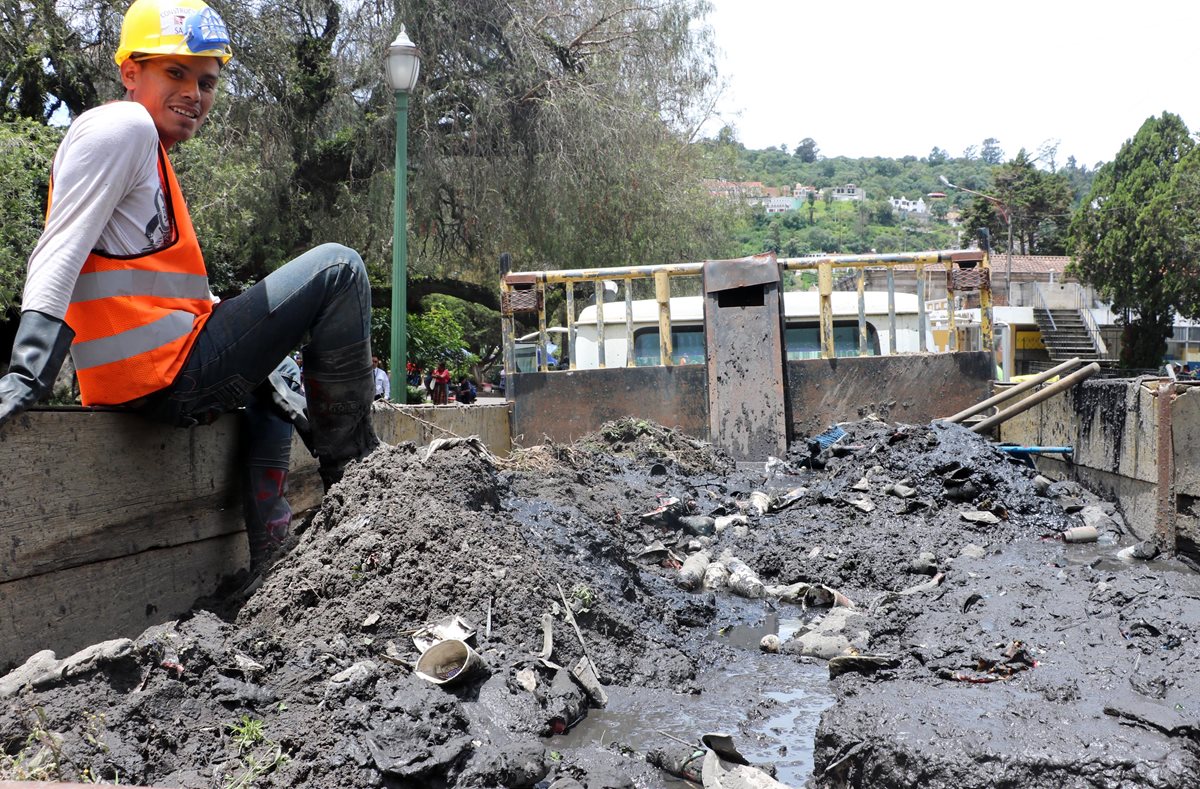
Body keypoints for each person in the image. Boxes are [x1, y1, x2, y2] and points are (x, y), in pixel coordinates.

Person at [0, 0, 380, 569]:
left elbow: (141, 287)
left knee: (272, 379)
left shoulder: (147, 150)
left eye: (206, 82)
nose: (194, 94)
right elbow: (59, 247)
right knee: (339, 268)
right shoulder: (121, 127)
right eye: (174, 73)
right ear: (131, 72)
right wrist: (28, 371)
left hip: (149, 377)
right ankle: (360, 482)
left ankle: (271, 564)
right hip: (165, 376)